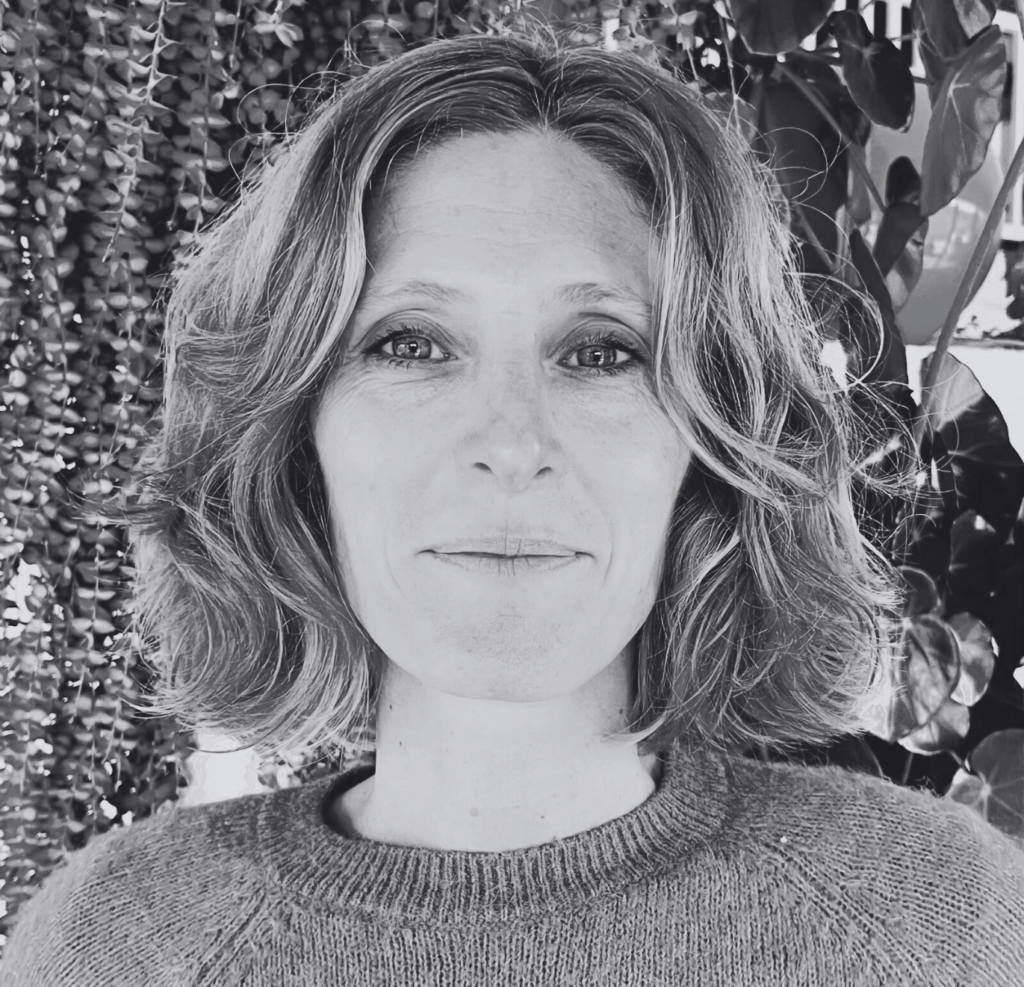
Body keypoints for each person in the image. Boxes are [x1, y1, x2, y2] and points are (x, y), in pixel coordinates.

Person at [4, 31, 1023, 987]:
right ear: (294, 433)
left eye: (602, 351)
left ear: (716, 444)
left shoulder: (936, 933)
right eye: (410, 344)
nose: (510, 441)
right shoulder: (115, 950)